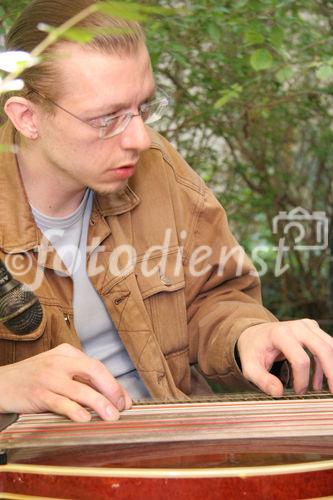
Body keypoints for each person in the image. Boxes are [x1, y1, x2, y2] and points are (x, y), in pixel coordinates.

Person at [0, 0, 332, 424]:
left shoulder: (156, 166)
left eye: (143, 108)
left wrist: (249, 334)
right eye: (108, 119)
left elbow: (212, 297)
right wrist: (7, 384)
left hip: (169, 442)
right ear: (27, 118)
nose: (139, 138)